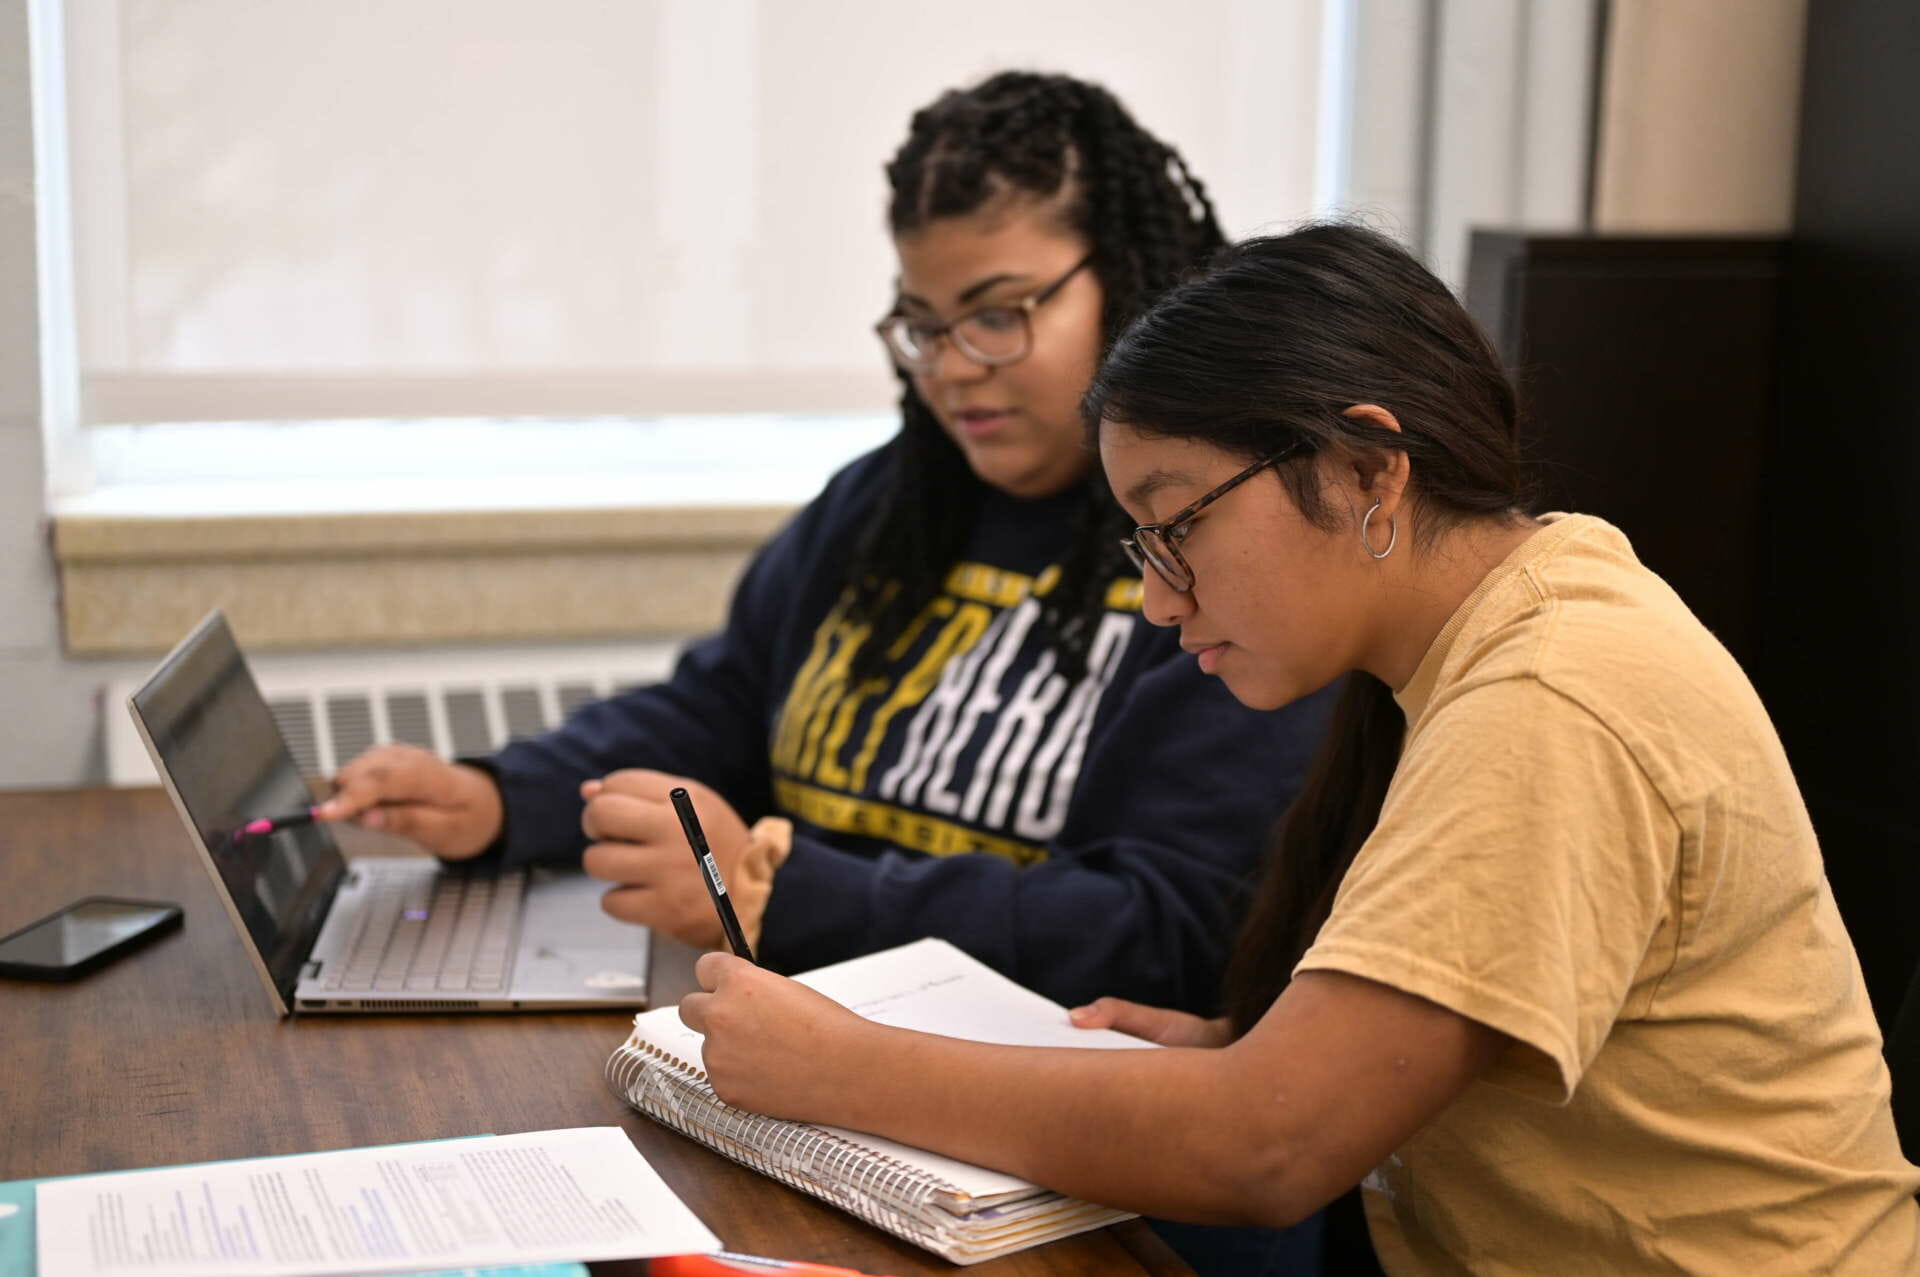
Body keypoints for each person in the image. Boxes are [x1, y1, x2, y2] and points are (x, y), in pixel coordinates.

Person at [676, 224, 1920, 1273]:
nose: (1158, 600)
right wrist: (1242, 1053)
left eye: (1177, 526)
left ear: (1368, 466)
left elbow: (1266, 1147)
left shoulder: (1554, 692)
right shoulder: (1491, 632)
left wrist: (840, 1066)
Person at [318, 72, 1334, 1017]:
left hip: (1018, 1083)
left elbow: (1170, 930)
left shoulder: (1217, 556)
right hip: (806, 1027)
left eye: (997, 314)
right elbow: (720, 707)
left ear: (1133, 283)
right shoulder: (891, 501)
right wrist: (502, 795)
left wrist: (778, 891)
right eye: (923, 323)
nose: (952, 369)